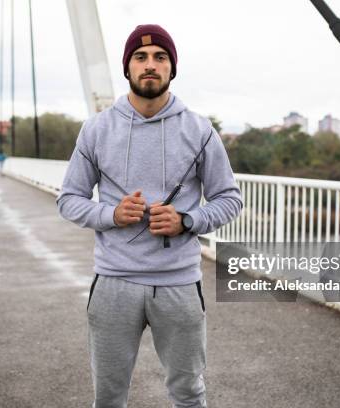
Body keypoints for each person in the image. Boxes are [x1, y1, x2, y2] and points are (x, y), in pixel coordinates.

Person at [56, 24, 242, 408]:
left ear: (173, 69)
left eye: (161, 57)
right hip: (113, 284)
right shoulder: (96, 130)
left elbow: (229, 199)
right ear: (127, 68)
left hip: (179, 284)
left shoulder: (200, 130)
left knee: (189, 394)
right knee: (108, 397)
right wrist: (111, 214)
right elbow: (69, 199)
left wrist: (187, 220)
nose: (150, 65)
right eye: (140, 58)